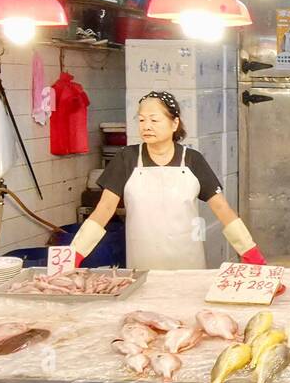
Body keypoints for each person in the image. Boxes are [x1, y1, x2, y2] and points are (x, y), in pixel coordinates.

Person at [70, 91, 265, 269]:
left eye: (154, 120)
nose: (146, 126)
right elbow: (104, 209)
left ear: (174, 123)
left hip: (188, 265)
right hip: (142, 264)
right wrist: (74, 253)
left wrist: (249, 251)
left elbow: (222, 208)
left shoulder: (192, 160)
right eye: (141, 120)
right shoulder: (126, 158)